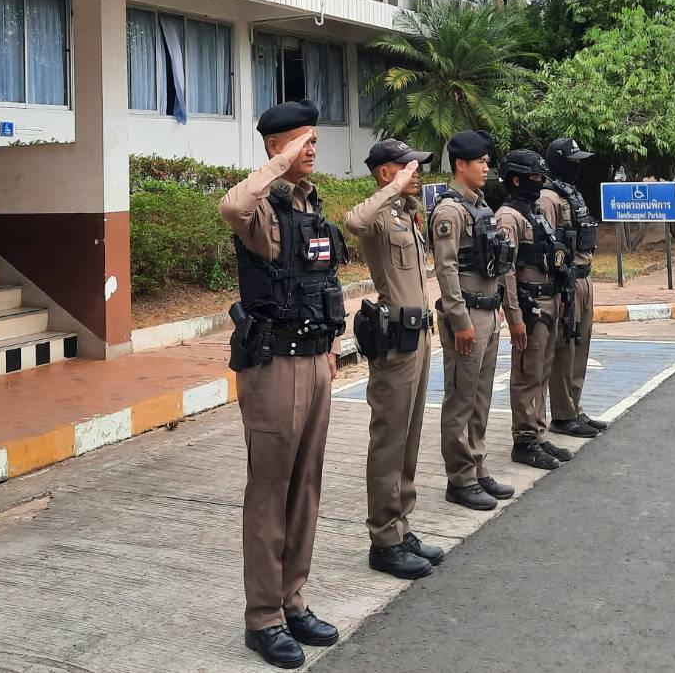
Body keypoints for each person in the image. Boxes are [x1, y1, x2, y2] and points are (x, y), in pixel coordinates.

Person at [220, 99, 347, 668]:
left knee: (306, 487)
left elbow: (325, 280)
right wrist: (278, 162)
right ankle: (263, 618)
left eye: (314, 140)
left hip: (316, 361)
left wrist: (333, 347)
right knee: (270, 490)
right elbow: (230, 205)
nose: (311, 149)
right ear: (275, 146)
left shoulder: (310, 206)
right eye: (301, 141)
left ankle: (293, 601)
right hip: (273, 365)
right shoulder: (259, 207)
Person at [345, 138, 444, 580]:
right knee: (389, 438)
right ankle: (383, 539)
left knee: (410, 436)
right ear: (386, 172)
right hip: (394, 342)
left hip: (419, 336)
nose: (416, 172)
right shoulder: (380, 216)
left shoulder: (406, 214)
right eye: (407, 166)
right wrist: (392, 189)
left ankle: (401, 525)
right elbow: (353, 220)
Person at [430, 130, 517, 511]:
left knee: (481, 397)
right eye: (480, 162)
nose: (486, 168)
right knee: (461, 398)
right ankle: (460, 478)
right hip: (466, 315)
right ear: (460, 164)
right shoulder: (449, 212)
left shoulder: (479, 207)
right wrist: (459, 319)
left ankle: (477, 467)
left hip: (487, 311)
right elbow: (446, 270)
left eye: (487, 162)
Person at [494, 150, 574, 470]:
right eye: (535, 177)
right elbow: (506, 271)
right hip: (530, 306)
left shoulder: (535, 211)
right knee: (528, 374)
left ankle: (538, 433)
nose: (540, 183)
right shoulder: (508, 217)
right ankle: (524, 439)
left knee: (542, 371)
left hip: (549, 300)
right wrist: (515, 317)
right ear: (516, 180)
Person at [545, 139, 607, 439]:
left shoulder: (570, 192)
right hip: (567, 282)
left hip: (584, 277)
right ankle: (563, 414)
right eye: (572, 160)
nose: (578, 165)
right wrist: (557, 289)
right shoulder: (548, 197)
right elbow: (548, 247)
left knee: (580, 346)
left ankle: (574, 406)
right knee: (564, 349)